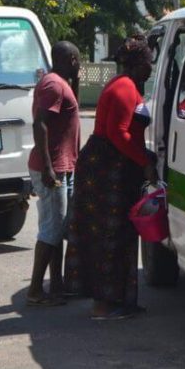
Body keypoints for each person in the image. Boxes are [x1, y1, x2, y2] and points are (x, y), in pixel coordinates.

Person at [65, 35, 157, 320]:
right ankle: (104, 306)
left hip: (112, 166)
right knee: (110, 236)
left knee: (119, 235)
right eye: (149, 62)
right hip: (107, 169)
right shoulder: (124, 89)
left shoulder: (125, 86)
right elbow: (120, 134)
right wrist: (145, 162)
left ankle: (118, 301)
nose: (151, 68)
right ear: (138, 63)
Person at [26, 41, 81, 307]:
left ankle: (57, 285)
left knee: (58, 228)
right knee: (50, 229)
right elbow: (40, 125)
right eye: (78, 60)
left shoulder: (60, 82)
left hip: (63, 166)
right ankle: (36, 290)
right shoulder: (54, 85)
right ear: (72, 60)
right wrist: (48, 167)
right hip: (53, 168)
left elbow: (68, 116)